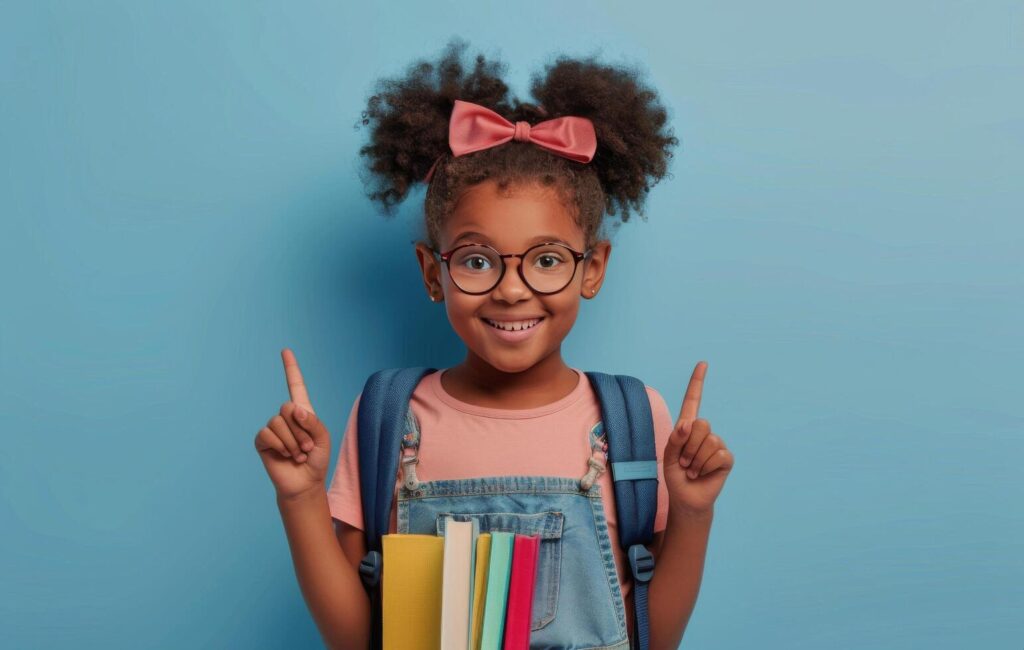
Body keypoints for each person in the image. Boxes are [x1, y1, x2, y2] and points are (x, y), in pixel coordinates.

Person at [254, 38, 735, 650]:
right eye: (478, 260)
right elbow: (354, 639)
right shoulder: (388, 418)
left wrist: (693, 513)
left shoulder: (635, 422)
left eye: (548, 259)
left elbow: (655, 639)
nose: (512, 290)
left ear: (593, 268)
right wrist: (298, 498)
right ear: (434, 272)